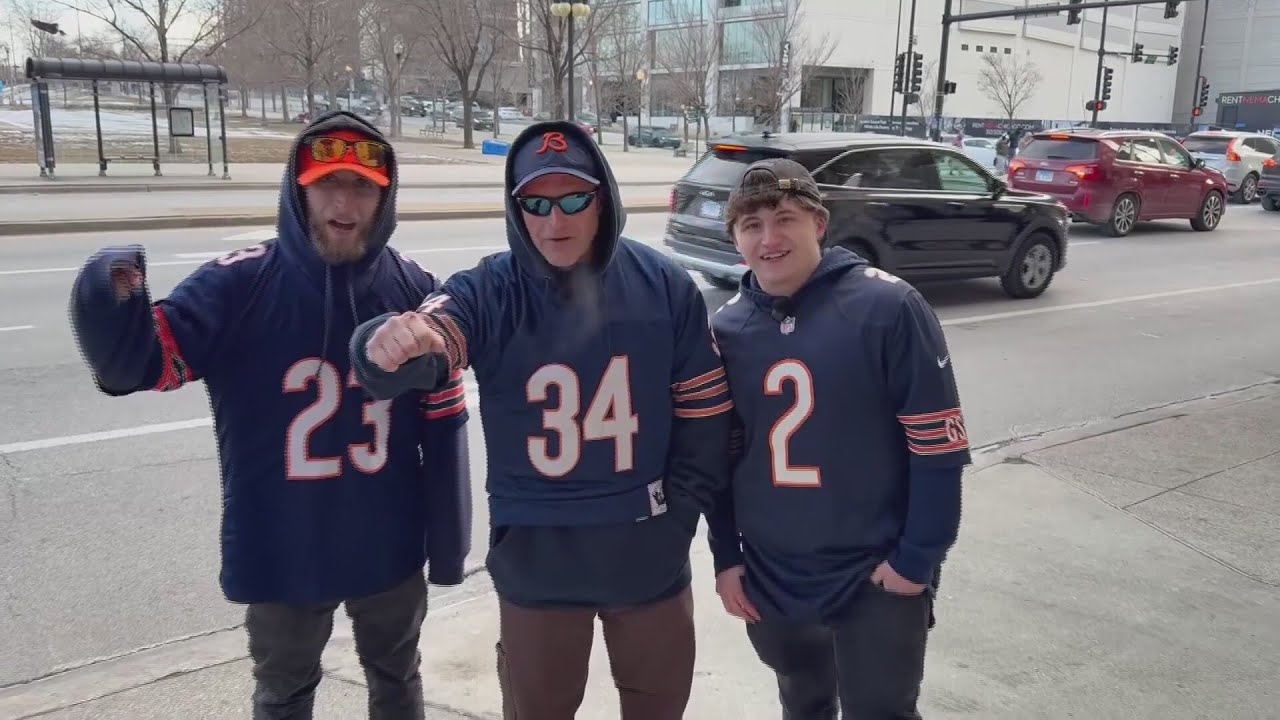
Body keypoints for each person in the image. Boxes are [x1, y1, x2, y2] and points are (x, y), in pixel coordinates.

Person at [68, 110, 472, 720]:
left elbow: (445, 416)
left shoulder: (415, 289)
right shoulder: (240, 285)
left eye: (362, 186)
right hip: (282, 544)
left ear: (385, 197)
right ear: (296, 188)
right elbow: (146, 364)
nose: (343, 203)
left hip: (387, 541)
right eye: (327, 182)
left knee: (397, 682)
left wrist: (447, 541)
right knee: (284, 695)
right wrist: (111, 299)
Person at [348, 120, 733, 720]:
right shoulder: (490, 288)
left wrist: (678, 518)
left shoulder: (663, 285)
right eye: (536, 203)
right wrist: (389, 343)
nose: (556, 222)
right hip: (538, 556)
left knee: (659, 706)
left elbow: (706, 417)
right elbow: (435, 333)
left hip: (645, 548)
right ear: (516, 208)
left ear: (603, 198)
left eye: (574, 199)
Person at [706, 158, 969, 720]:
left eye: (785, 218)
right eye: (751, 225)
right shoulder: (725, 330)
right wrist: (727, 555)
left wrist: (917, 560)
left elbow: (938, 449)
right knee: (803, 704)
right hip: (773, 573)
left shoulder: (889, 307)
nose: (769, 238)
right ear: (735, 239)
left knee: (881, 711)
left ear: (819, 223)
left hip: (872, 569)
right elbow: (719, 460)